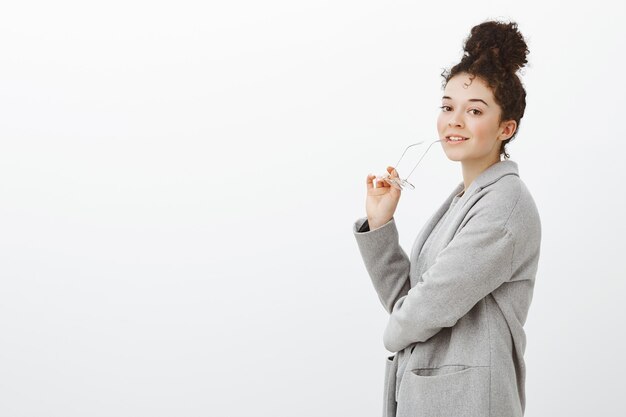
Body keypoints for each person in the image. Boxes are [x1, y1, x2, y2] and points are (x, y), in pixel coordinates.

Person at [353, 20, 542, 417]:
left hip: (471, 401)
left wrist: (393, 336)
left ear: (506, 128)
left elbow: (427, 308)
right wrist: (381, 225)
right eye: (447, 106)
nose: (454, 120)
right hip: (434, 399)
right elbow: (408, 301)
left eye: (474, 110)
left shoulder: (505, 205)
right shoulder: (463, 200)